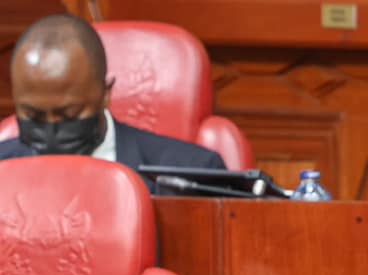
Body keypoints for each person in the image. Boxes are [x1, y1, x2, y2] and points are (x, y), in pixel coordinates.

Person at [0, 14, 227, 181]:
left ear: (106, 94)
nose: (51, 131)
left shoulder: (194, 174)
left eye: (69, 115)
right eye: (33, 115)